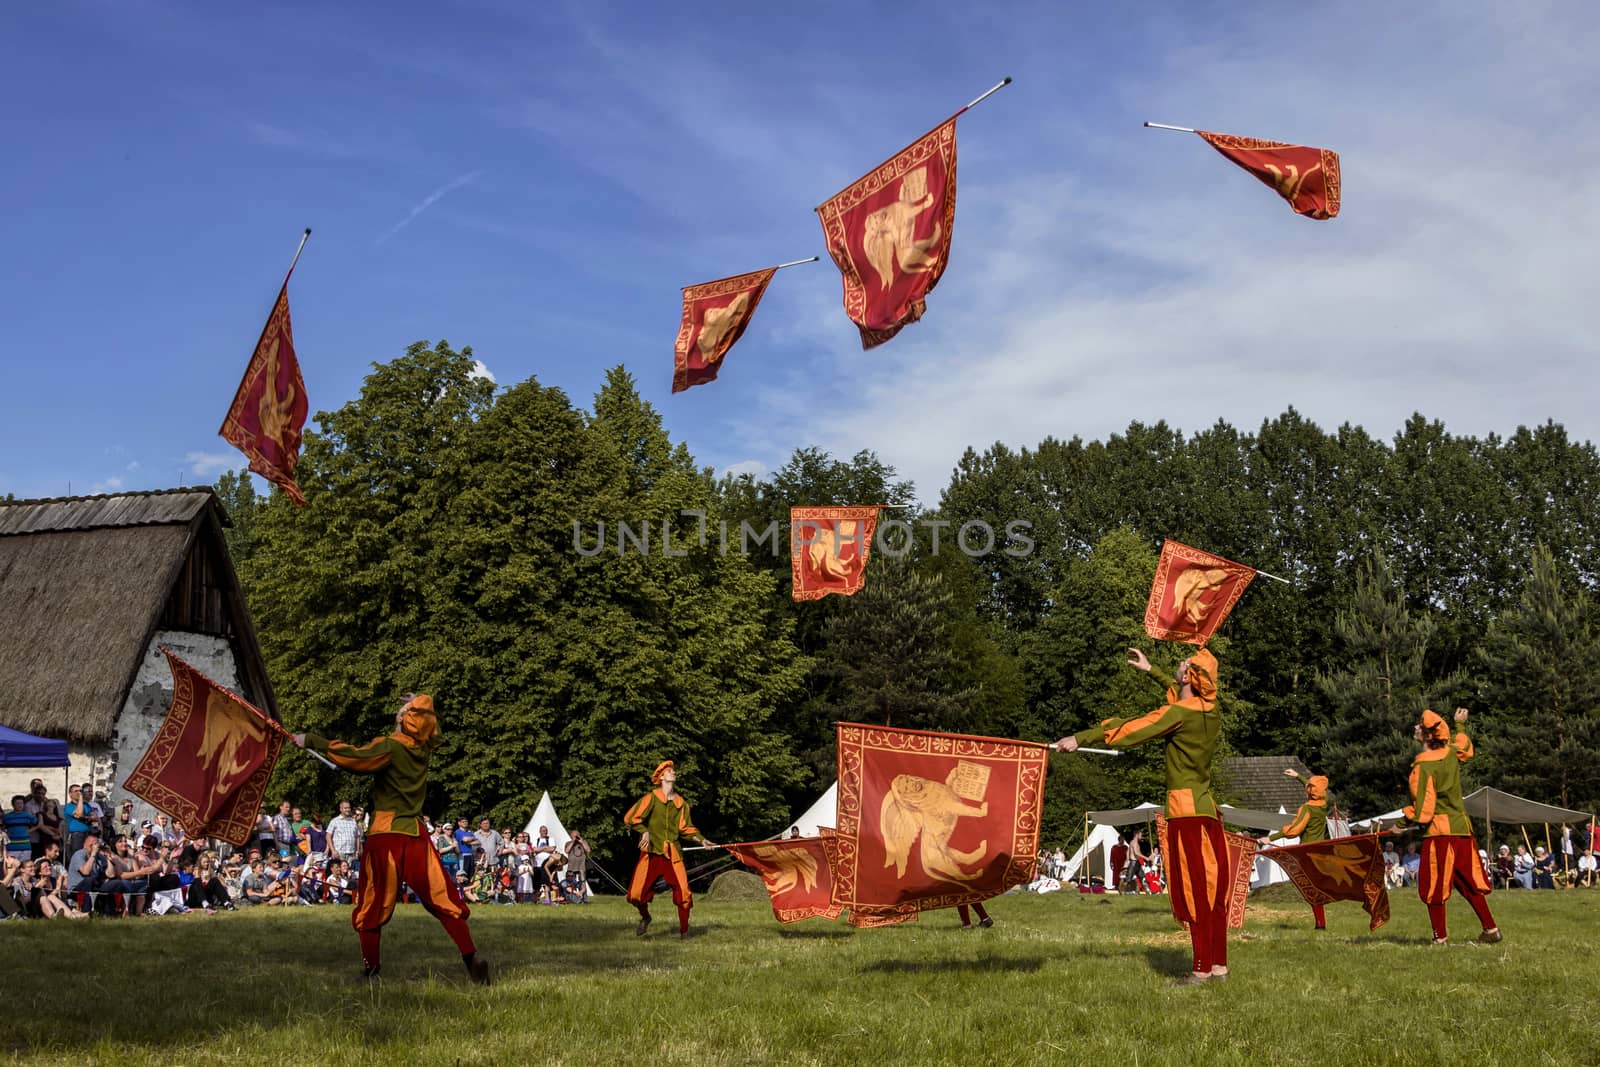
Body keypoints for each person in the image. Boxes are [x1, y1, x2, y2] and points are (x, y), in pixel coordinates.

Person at [1055, 646, 1229, 984]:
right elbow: (1182, 695)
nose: (1180, 665)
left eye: (1185, 665)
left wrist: (1080, 738)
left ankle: (1201, 969)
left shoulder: (1180, 713)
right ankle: (1218, 966)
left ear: (1190, 678)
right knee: (1212, 890)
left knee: (1194, 890)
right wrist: (1153, 671)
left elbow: (1135, 728)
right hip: (1208, 810)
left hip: (1185, 813)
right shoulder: (1211, 709)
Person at [293, 693, 490, 984]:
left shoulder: (391, 747)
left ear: (403, 719)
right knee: (441, 897)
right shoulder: (424, 747)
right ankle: (470, 956)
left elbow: (355, 757)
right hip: (416, 834)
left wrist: (310, 740)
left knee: (373, 901)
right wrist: (421, 705)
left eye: (405, 710)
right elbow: (432, 730)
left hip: (386, 834)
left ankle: (371, 970)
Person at [1403, 708, 1500, 945]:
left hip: (1439, 832)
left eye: (1419, 726)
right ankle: (1490, 930)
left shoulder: (1423, 767)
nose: (1415, 727)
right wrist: (1460, 725)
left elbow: (1423, 810)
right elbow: (1465, 748)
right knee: (1465, 881)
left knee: (1433, 885)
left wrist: (1401, 823)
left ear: (1427, 736)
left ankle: (1440, 939)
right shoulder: (1449, 754)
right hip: (1462, 830)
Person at [623, 760, 715, 939]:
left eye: (673, 771)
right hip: (650, 853)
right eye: (670, 771)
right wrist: (644, 831)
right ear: (661, 776)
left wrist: (702, 840)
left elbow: (687, 829)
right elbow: (631, 818)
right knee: (635, 895)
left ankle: (684, 932)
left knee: (684, 894)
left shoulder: (682, 804)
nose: (674, 773)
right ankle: (645, 917)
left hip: (672, 854)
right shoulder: (651, 798)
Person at [1258, 767, 1332, 929]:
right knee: (1312, 887)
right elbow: (1314, 789)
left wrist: (1270, 838)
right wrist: (1298, 776)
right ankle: (1320, 922)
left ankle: (1320, 923)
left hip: (1307, 852)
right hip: (1320, 850)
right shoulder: (1323, 805)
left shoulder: (1307, 809)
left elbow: (1293, 830)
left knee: (1309, 888)